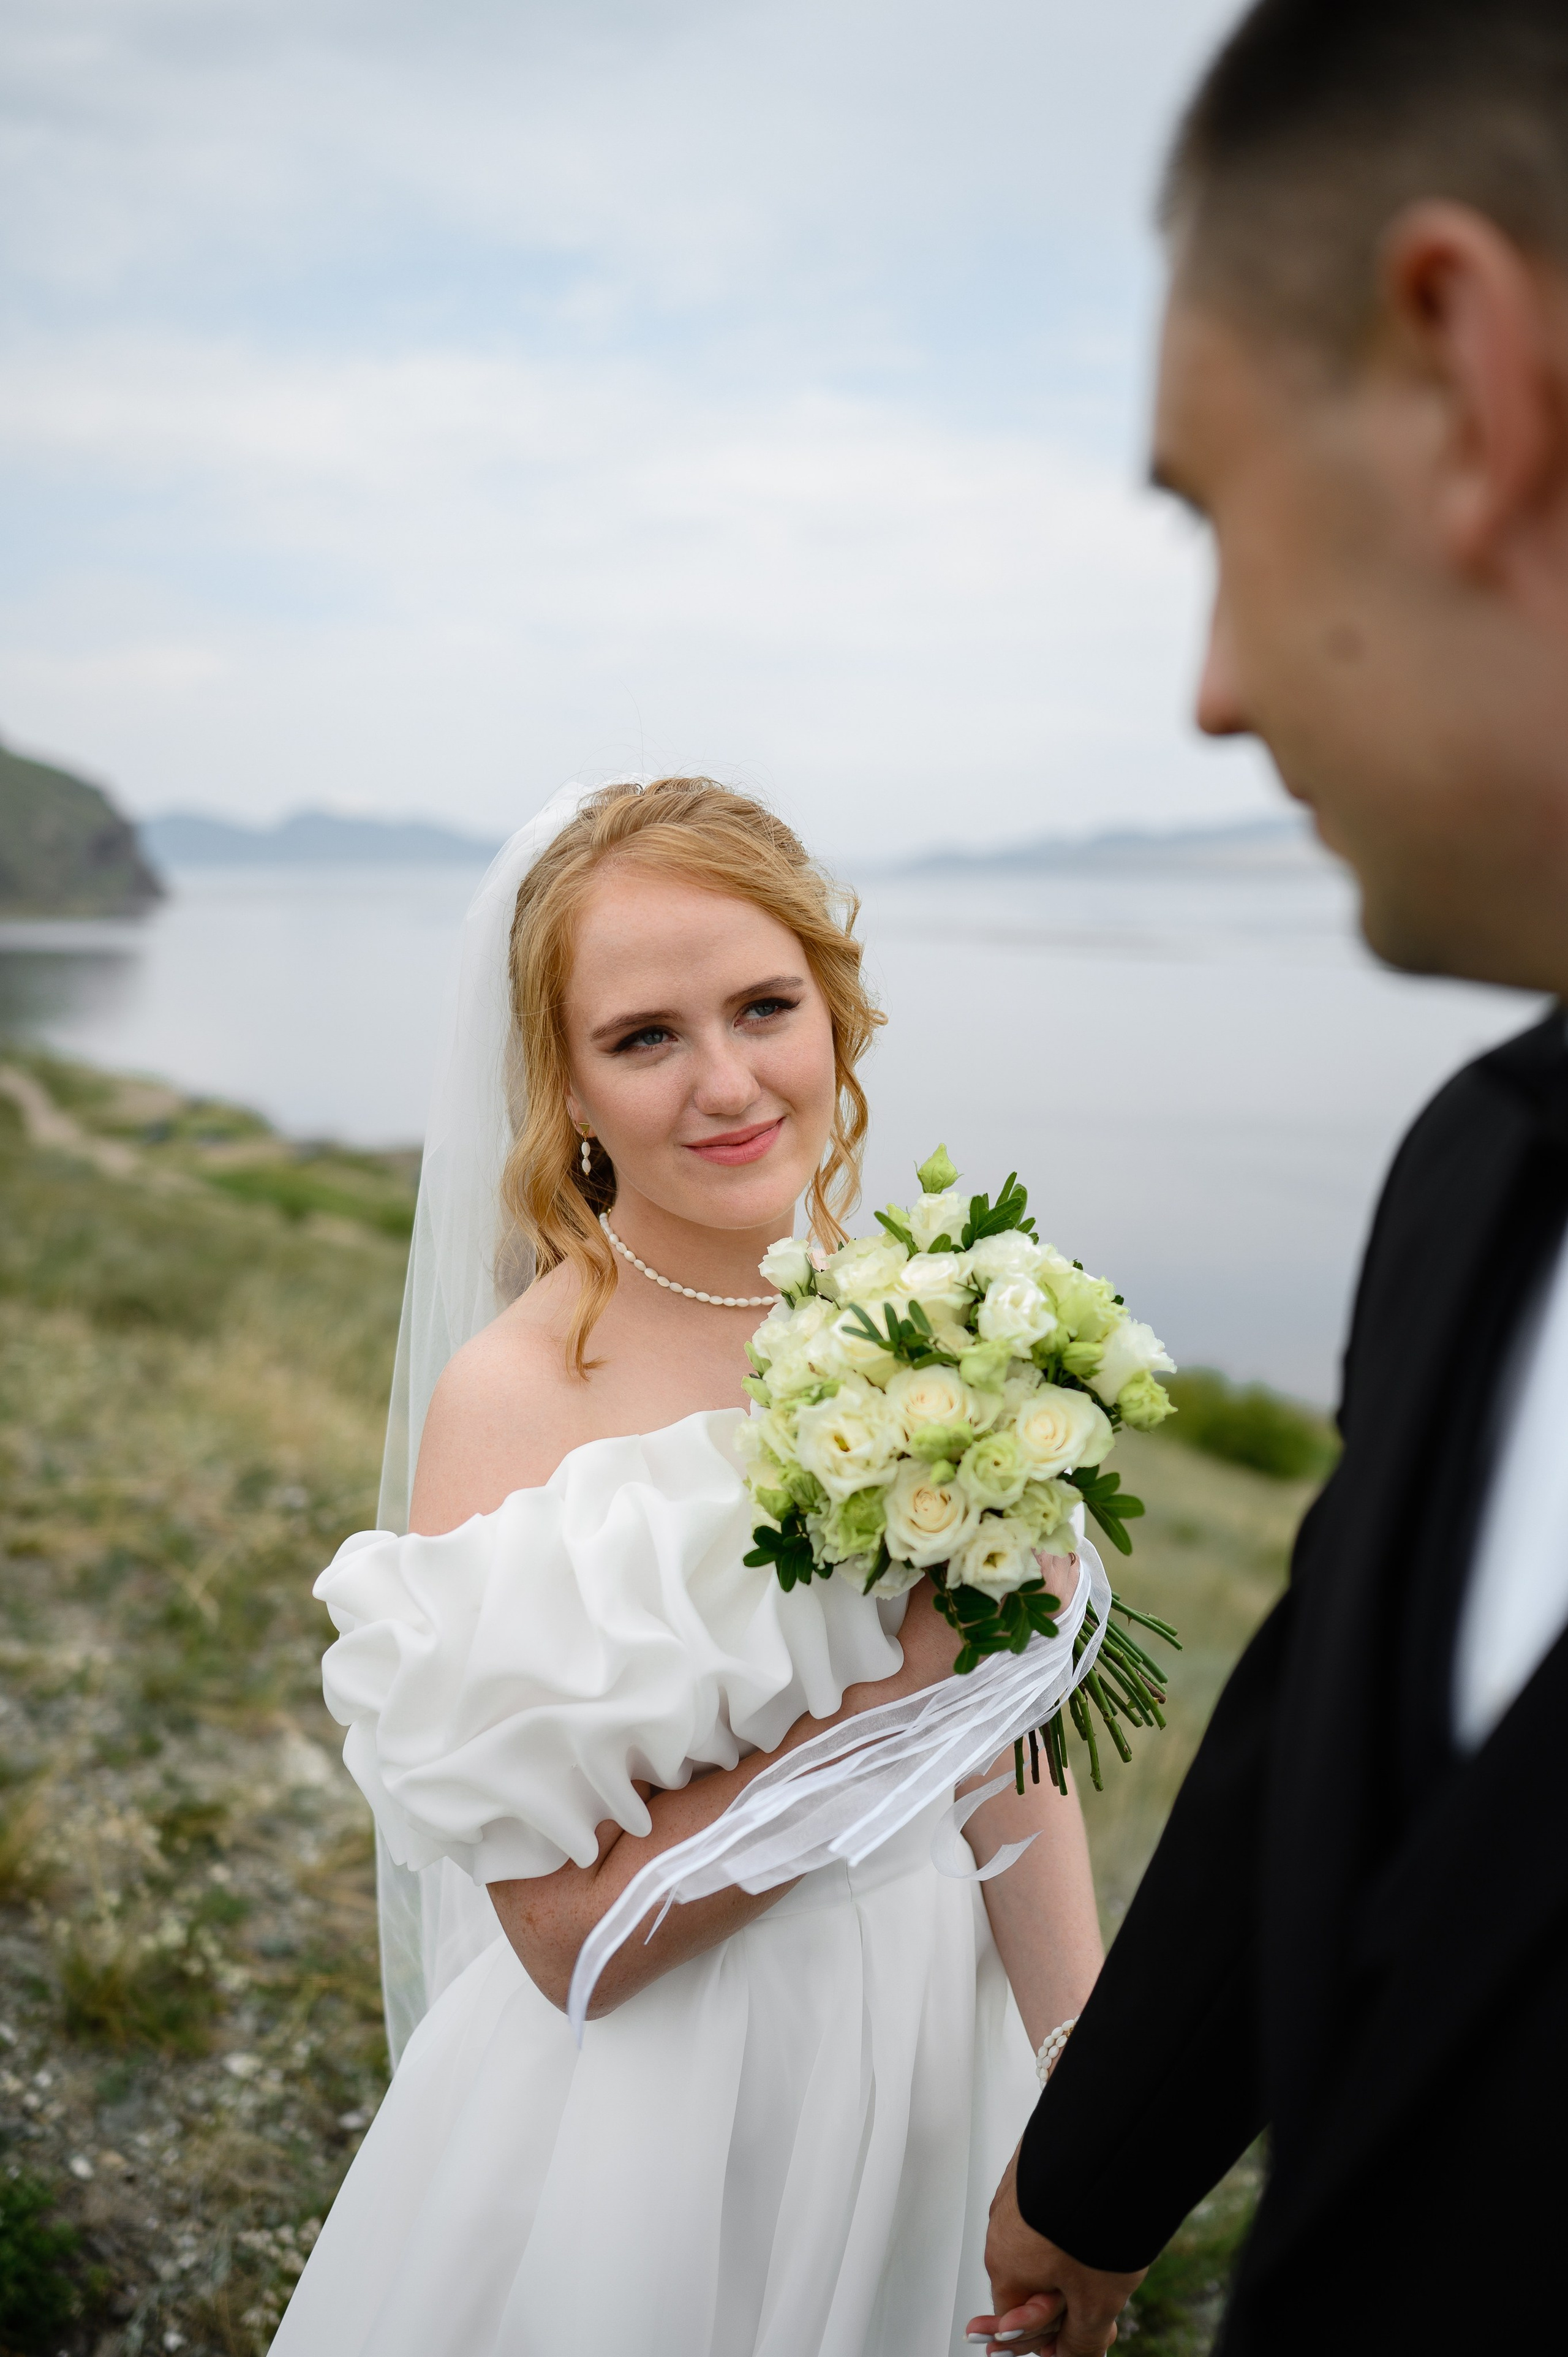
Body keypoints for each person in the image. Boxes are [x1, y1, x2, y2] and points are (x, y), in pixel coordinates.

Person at [971, 2, 1568, 2351]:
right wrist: (1099, 2168)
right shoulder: (1482, 1174)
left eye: (1214, 512)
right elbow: (1345, 1682)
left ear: (1464, 381)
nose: (1213, 690)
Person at [271, 776, 1104, 2357]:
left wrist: (1082, 2102)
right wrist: (911, 1684)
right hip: (661, 2121)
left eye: (764, 1007)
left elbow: (1015, 1761)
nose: (726, 1083)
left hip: (938, 2056)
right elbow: (566, 1941)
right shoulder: (516, 1400)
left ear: (836, 1015)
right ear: (563, 1084)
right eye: (644, 1037)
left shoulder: (929, 1325)